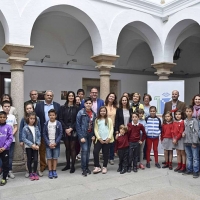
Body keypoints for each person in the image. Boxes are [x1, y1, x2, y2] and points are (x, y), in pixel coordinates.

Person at [35, 90, 60, 173]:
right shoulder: (38, 105)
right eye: (47, 95)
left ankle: (53, 167)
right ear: (45, 96)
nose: (49, 97)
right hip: (43, 130)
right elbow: (36, 118)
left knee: (53, 149)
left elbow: (59, 118)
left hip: (54, 130)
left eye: (51, 95)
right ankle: (43, 165)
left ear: (52, 96)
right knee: (42, 149)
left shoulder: (57, 105)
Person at [19, 103, 42, 178]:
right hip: (28, 144)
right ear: (25, 110)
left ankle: (37, 170)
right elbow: (21, 131)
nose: (29, 109)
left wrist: (38, 143)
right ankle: (28, 171)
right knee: (27, 158)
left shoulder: (37, 119)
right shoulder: (24, 120)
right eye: (27, 108)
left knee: (36, 158)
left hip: (36, 144)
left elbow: (39, 132)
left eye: (30, 108)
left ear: (33, 108)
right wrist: (21, 140)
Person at [59, 91, 79, 173]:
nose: (71, 97)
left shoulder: (77, 108)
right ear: (67, 97)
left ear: (74, 97)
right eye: (69, 96)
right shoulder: (62, 107)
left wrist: (71, 128)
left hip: (73, 130)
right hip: (65, 130)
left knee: (72, 148)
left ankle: (73, 165)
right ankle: (67, 165)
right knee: (67, 148)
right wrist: (66, 129)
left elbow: (77, 120)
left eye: (72, 96)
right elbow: (60, 119)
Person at [76, 97, 96, 177]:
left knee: (88, 152)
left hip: (90, 135)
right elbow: (78, 125)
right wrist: (81, 136)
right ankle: (83, 168)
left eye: (90, 103)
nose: (88, 105)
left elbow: (95, 125)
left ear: (92, 104)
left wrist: (94, 135)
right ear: (84, 104)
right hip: (83, 135)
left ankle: (87, 167)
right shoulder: (80, 113)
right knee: (84, 150)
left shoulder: (94, 114)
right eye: (87, 103)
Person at [93, 106, 113, 174]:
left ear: (106, 112)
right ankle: (97, 166)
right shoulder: (97, 120)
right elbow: (95, 129)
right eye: (101, 111)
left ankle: (104, 166)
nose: (102, 112)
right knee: (95, 152)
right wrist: (99, 138)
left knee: (105, 153)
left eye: (104, 111)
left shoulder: (109, 120)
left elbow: (111, 129)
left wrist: (109, 138)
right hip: (99, 139)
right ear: (99, 112)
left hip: (107, 139)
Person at [43, 109, 62, 179]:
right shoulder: (46, 123)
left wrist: (56, 143)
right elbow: (44, 134)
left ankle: (54, 170)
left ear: (56, 116)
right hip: (48, 144)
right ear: (48, 116)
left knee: (55, 158)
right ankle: (50, 170)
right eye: (50, 115)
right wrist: (48, 143)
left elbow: (60, 134)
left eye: (53, 115)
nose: (52, 116)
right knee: (49, 158)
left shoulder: (58, 123)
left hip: (56, 144)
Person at [182, 105, 200, 178]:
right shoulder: (185, 121)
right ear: (185, 112)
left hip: (194, 143)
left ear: (192, 112)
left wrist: (195, 142)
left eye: (190, 111)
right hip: (186, 142)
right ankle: (189, 169)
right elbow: (186, 130)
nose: (188, 113)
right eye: (187, 111)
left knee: (195, 158)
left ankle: (196, 171)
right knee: (189, 157)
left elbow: (196, 132)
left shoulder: (195, 121)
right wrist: (183, 133)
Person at [1, 101, 17, 179]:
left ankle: (9, 171)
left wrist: (11, 135)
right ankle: (3, 172)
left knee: (9, 157)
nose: (7, 108)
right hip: (1, 142)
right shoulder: (1, 115)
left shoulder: (12, 117)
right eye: (5, 106)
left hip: (10, 140)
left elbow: (15, 127)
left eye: (8, 106)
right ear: (2, 107)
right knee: (2, 158)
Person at [0, 111, 13, 186]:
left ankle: (4, 178)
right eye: (0, 117)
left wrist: (4, 147)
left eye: (4, 117)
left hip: (5, 149)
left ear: (6, 118)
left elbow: (10, 138)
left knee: (5, 164)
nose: (2, 119)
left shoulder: (8, 127)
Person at [105, 92, 117, 165]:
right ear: (108, 97)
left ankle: (111, 158)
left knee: (112, 143)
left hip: (113, 127)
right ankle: (105, 157)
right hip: (105, 127)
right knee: (105, 143)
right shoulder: (104, 106)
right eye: (110, 96)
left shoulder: (116, 107)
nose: (111, 98)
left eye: (113, 97)